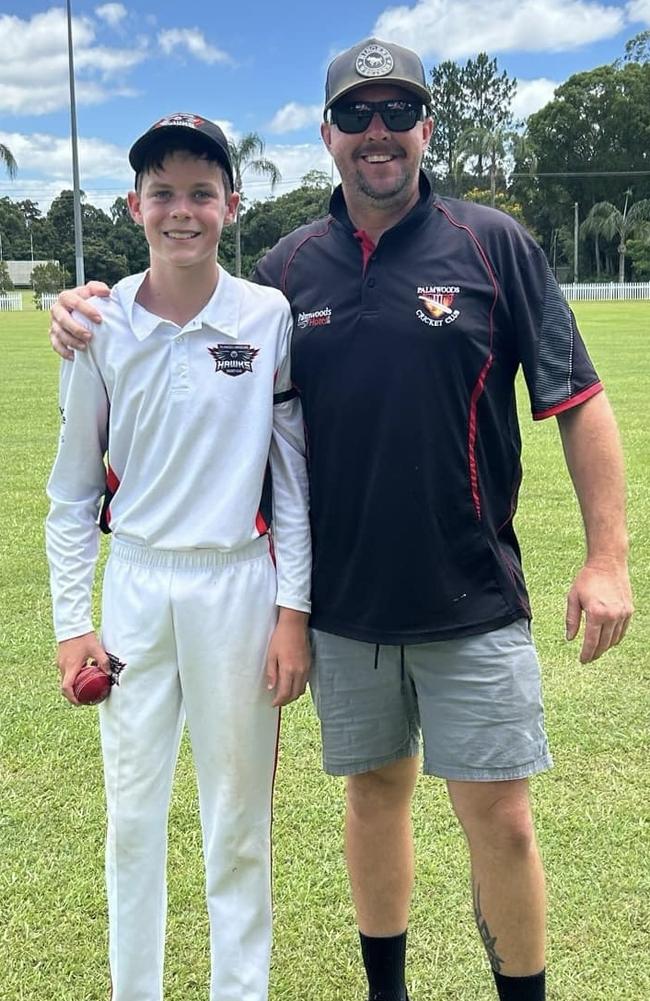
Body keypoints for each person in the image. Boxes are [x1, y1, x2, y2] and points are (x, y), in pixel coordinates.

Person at [49, 38, 633, 1001]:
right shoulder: (288, 275)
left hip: (473, 593)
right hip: (345, 609)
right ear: (327, 133)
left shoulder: (492, 242)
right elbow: (225, 441)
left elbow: (578, 399)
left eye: (397, 112)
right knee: (373, 799)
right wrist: (82, 309)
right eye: (357, 115)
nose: (377, 132)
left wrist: (608, 556)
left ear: (425, 128)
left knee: (505, 821)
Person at [45, 112, 311, 1001]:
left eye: (202, 192)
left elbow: (293, 480)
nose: (182, 211)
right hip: (139, 587)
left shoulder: (265, 316)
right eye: (164, 192)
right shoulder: (98, 325)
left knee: (237, 823)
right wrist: (72, 621)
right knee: (132, 819)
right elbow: (74, 491)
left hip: (237, 584)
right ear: (134, 206)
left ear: (232, 205)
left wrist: (292, 613)